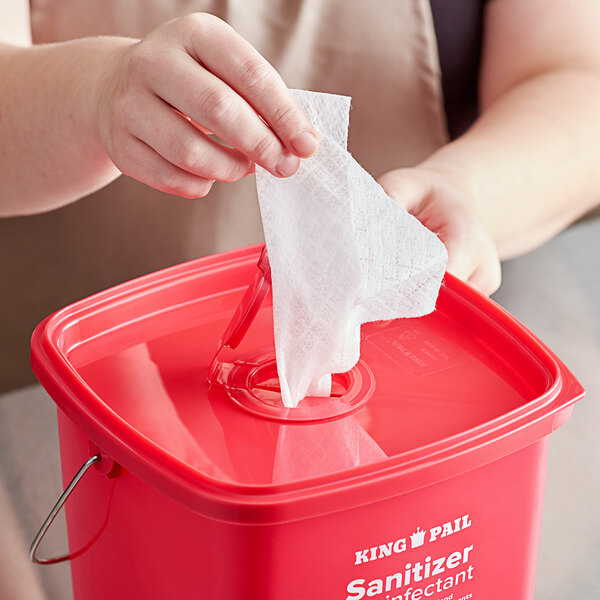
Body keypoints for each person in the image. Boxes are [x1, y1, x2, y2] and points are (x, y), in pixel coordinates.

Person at [1, 1, 600, 598]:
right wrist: (96, 92)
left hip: (419, 418)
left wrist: (469, 189)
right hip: (99, 409)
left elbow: (576, 79)